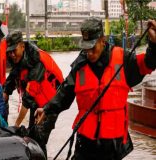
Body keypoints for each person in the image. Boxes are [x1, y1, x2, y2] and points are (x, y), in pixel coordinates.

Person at [36, 17, 156, 160]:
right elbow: (64, 93)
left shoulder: (123, 59)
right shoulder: (79, 67)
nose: (89, 53)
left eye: (93, 48)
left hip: (112, 144)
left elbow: (148, 63)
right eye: (86, 48)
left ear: (102, 40)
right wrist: (47, 108)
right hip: (86, 141)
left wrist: (154, 44)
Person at [3, 31, 63, 157]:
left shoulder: (37, 62)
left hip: (51, 104)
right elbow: (11, 79)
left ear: (22, 46)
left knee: (38, 139)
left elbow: (27, 100)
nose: (12, 54)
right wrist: (5, 93)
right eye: (9, 51)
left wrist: (15, 126)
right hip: (37, 102)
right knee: (31, 136)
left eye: (14, 50)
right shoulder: (19, 59)